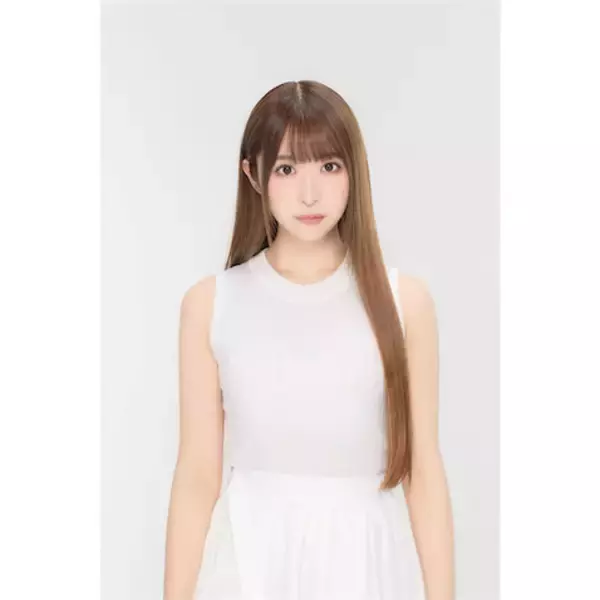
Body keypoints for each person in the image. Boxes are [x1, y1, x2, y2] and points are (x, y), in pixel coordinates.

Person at [163, 80, 455, 600]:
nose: (310, 193)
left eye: (329, 166)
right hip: (249, 563)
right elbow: (197, 476)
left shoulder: (404, 303)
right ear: (252, 174)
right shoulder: (211, 304)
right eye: (286, 169)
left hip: (367, 563)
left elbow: (424, 471)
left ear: (354, 171)